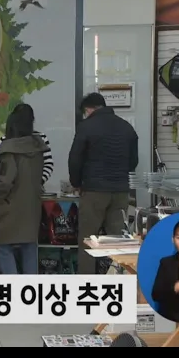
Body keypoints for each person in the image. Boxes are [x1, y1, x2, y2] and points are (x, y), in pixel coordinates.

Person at [68, 92, 139, 274]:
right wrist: (120, 176)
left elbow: (75, 159)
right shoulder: (126, 127)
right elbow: (133, 161)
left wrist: (76, 183)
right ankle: (118, 278)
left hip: (94, 191)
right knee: (117, 241)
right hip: (120, 191)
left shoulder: (86, 127)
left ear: (88, 109)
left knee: (88, 239)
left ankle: (87, 282)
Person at [0, 106, 47, 274]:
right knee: (29, 248)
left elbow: (5, 181)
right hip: (31, 206)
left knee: (3, 247)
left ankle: (13, 287)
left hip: (9, 208)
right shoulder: (38, 147)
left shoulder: (8, 148)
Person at [0, 103, 54, 185]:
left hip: (7, 191)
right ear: (31, 121)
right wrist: (38, 183)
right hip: (33, 191)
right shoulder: (41, 138)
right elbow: (48, 164)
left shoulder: (5, 140)